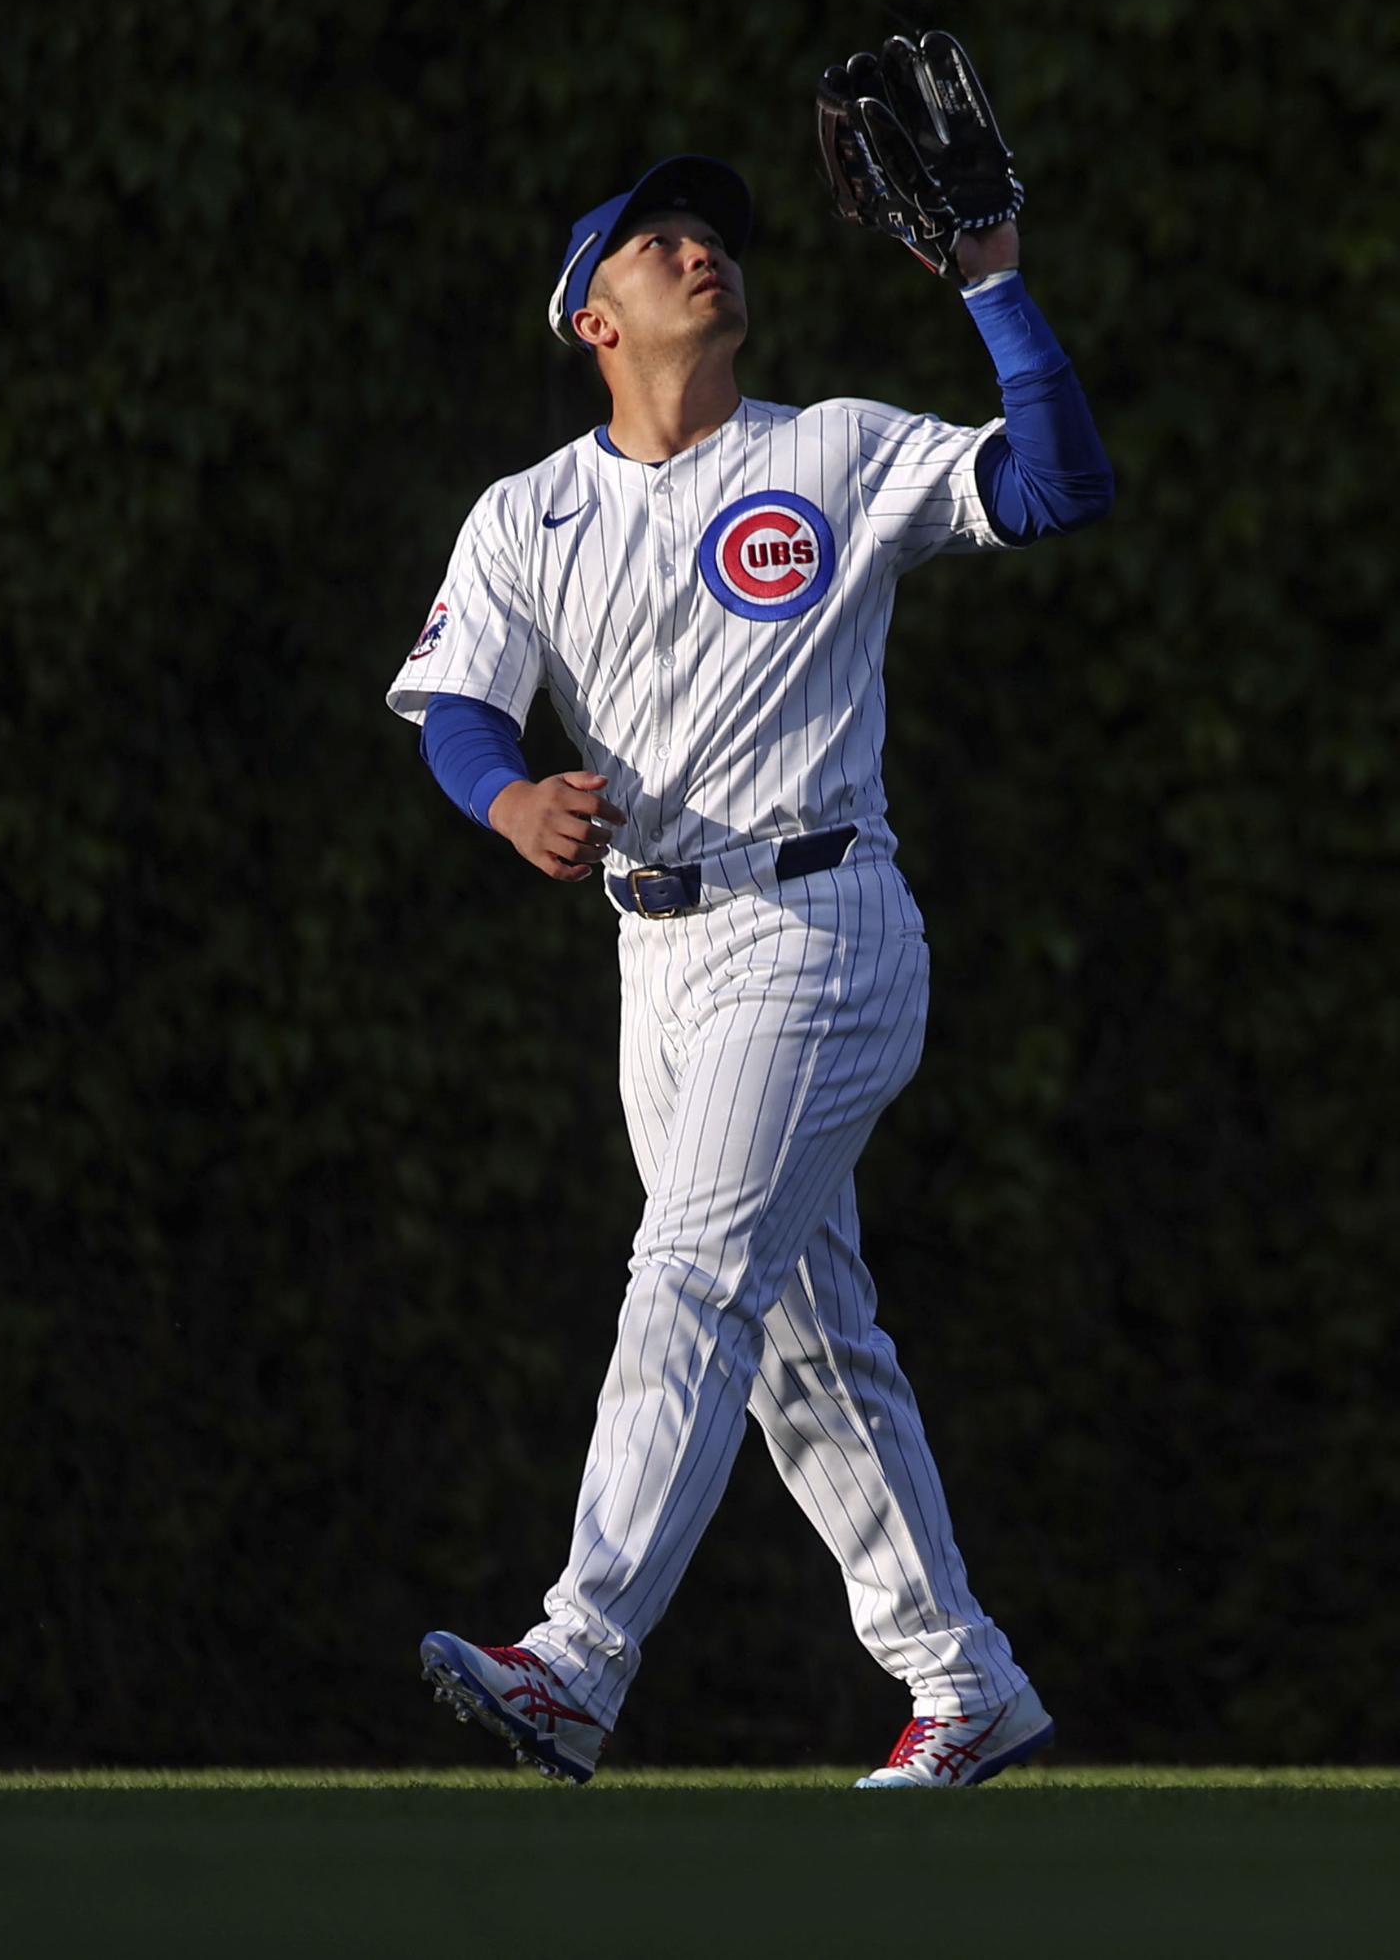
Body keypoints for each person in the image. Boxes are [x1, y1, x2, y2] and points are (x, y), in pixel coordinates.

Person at [384, 146, 1113, 1787]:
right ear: (592, 319)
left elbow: (1059, 487)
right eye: (655, 240)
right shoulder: (529, 512)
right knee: (803, 1343)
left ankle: (577, 1657)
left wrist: (995, 286)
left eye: (710, 232)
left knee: (691, 1269)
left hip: (821, 920)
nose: (698, 248)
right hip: (655, 960)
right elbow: (460, 705)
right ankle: (965, 1677)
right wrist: (507, 799)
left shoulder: (833, 450)